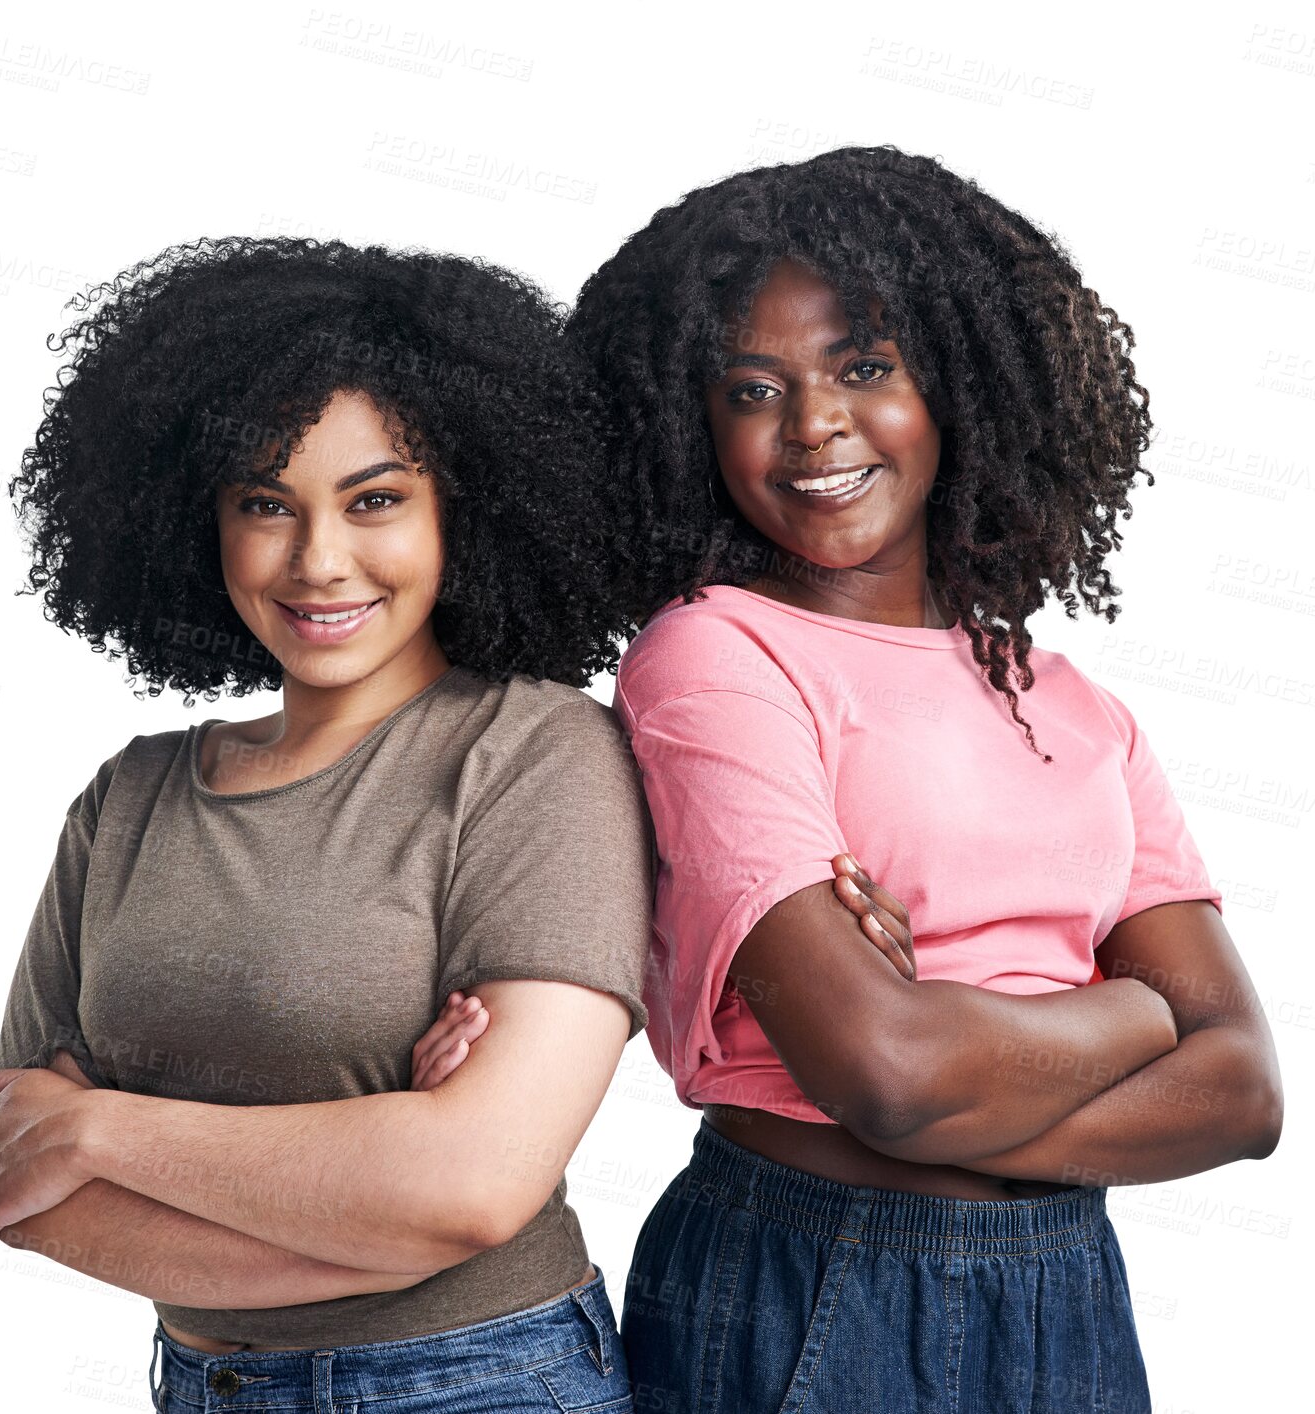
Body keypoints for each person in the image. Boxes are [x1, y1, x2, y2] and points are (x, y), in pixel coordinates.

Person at [448, 147, 1285, 1412]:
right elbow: (884, 1068)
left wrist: (951, 1091)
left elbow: (1243, 1091)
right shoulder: (714, 655)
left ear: (956, 384)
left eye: (862, 366)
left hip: (1067, 1285)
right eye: (750, 388)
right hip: (821, 1271)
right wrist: (1131, 1016)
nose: (813, 425)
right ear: (693, 425)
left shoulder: (1072, 703)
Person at [0, 236, 653, 1414]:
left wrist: (104, 1127)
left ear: (460, 510)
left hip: (479, 1381)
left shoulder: (533, 755)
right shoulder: (130, 797)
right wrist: (387, 1198)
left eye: (375, 499)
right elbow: (17, 1186)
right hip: (198, 1385)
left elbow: (474, 1188)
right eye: (265, 504)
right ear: (197, 522)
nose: (320, 560)